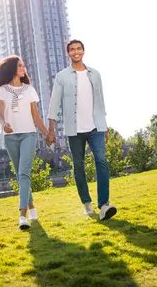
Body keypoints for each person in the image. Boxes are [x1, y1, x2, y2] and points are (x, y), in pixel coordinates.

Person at [46, 39, 118, 221]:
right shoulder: (62, 76)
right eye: (72, 50)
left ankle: (104, 205)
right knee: (78, 167)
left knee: (101, 161)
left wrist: (105, 125)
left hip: (96, 127)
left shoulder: (95, 74)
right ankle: (86, 203)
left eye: (79, 49)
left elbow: (100, 101)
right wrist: (51, 130)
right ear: (68, 53)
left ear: (83, 51)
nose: (76, 52)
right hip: (74, 130)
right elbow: (54, 103)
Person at [0, 55, 50, 230]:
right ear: (12, 68)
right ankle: (32, 209)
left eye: (24, 66)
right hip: (10, 137)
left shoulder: (29, 90)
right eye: (20, 65)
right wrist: (4, 124)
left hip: (29, 135)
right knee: (20, 175)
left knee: (24, 173)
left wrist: (47, 133)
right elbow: (0, 114)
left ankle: (22, 216)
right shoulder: (1, 91)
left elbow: (35, 116)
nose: (23, 68)